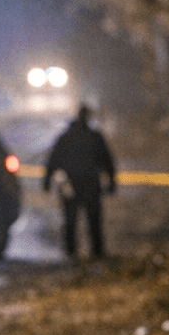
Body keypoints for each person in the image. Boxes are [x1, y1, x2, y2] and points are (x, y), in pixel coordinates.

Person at [43, 105, 117, 259]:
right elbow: (107, 161)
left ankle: (71, 253)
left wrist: (47, 182)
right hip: (91, 184)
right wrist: (111, 182)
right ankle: (97, 252)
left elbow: (52, 161)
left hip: (70, 185)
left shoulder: (66, 137)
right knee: (93, 220)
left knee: (71, 220)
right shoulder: (94, 136)